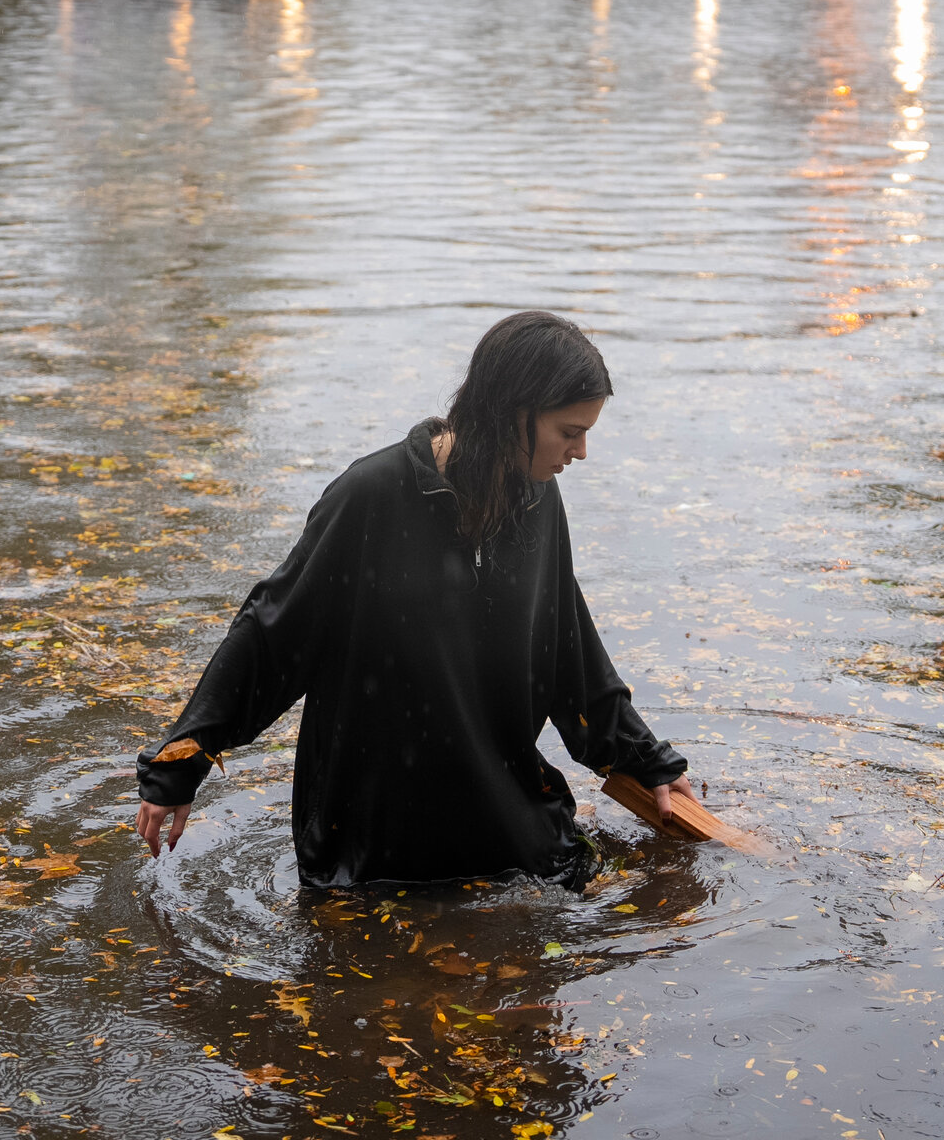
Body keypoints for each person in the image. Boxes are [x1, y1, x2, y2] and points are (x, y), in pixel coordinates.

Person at [135, 312, 694, 889]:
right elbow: (272, 634)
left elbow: (569, 655)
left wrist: (645, 760)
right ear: (514, 414)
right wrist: (183, 760)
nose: (580, 452)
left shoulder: (536, 502)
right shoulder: (371, 496)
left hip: (503, 830)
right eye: (570, 431)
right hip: (369, 846)